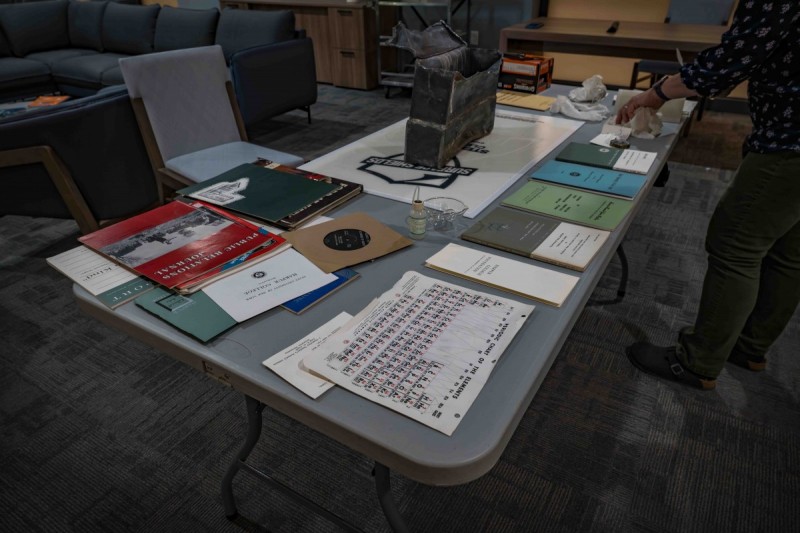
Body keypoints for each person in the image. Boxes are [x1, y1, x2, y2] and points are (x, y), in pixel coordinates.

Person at [616, 1, 800, 390]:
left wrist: (659, 92)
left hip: (790, 142)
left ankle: (698, 360)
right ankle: (748, 346)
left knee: (735, 245)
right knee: (787, 251)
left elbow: (735, 56)